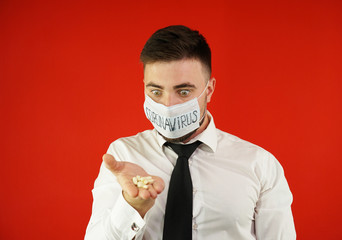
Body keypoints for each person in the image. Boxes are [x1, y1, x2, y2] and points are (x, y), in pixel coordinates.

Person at [85, 25, 296, 240]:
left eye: (183, 91)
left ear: (209, 90)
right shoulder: (122, 155)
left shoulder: (259, 165)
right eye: (156, 91)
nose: (168, 105)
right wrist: (132, 206)